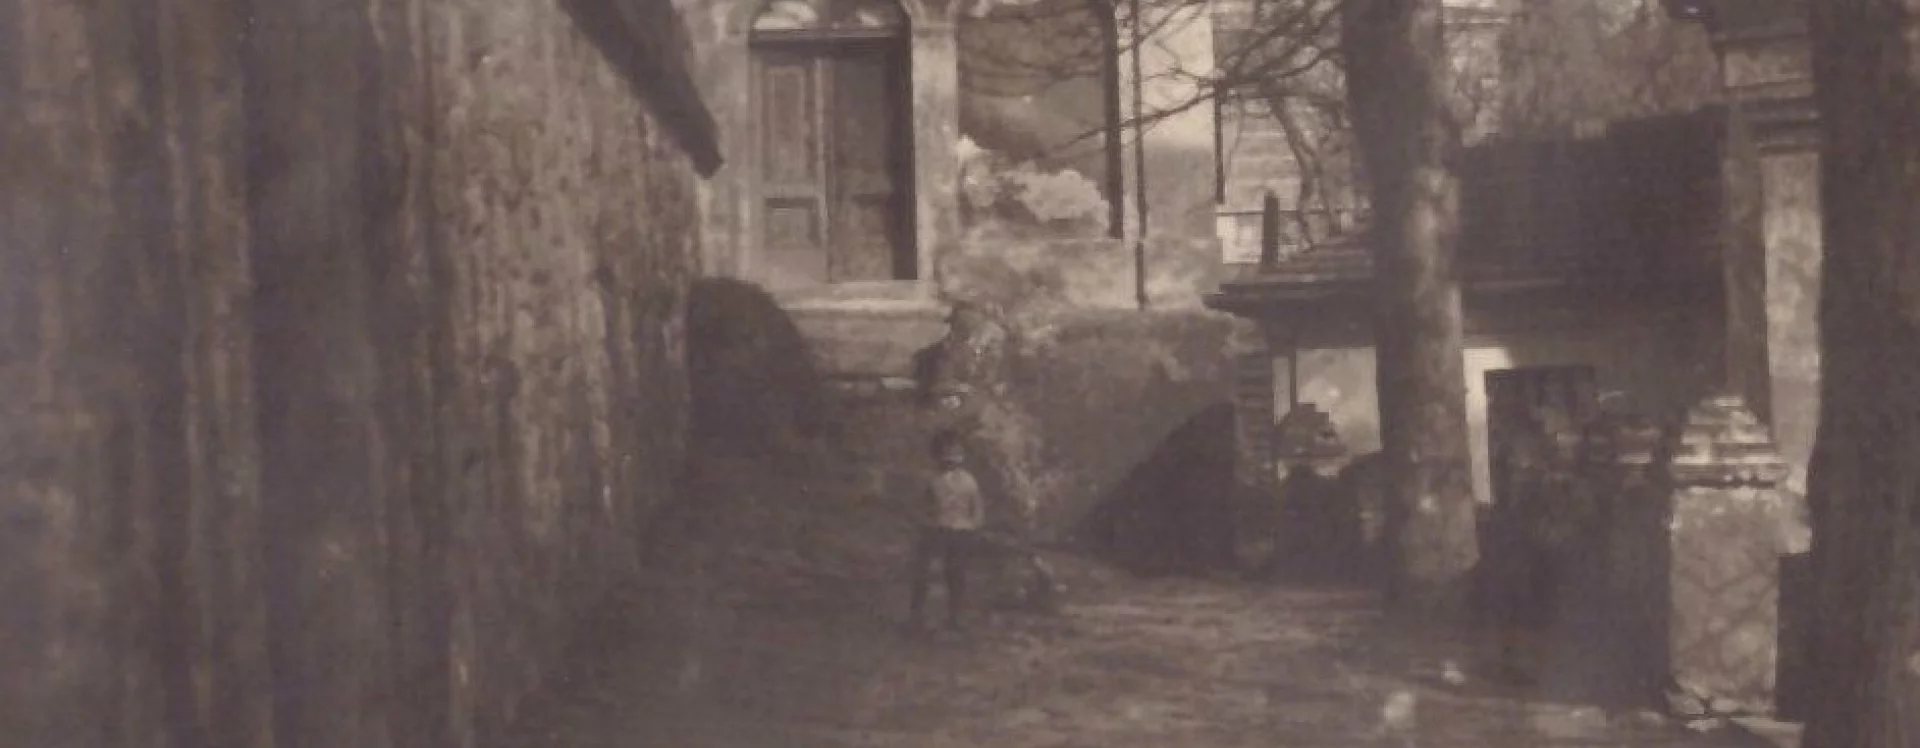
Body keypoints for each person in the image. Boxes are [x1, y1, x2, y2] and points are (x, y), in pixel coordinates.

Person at [908, 430, 987, 631]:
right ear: (937, 454)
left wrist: (974, 525)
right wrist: (926, 522)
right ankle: (918, 617)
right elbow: (918, 506)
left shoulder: (969, 480)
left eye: (957, 452)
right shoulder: (931, 479)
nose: (952, 457)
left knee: (956, 574)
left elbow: (977, 506)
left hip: (961, 531)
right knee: (927, 573)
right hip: (936, 530)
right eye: (947, 452)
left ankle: (955, 617)